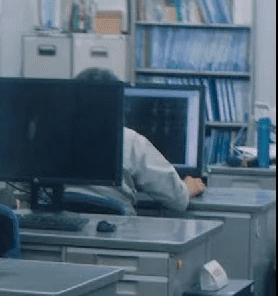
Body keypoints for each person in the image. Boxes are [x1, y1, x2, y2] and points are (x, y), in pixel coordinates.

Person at [71, 67, 205, 212]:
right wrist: (187, 188)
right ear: (118, 101)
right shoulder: (129, 139)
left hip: (64, 223)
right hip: (115, 224)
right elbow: (177, 199)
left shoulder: (57, 137)